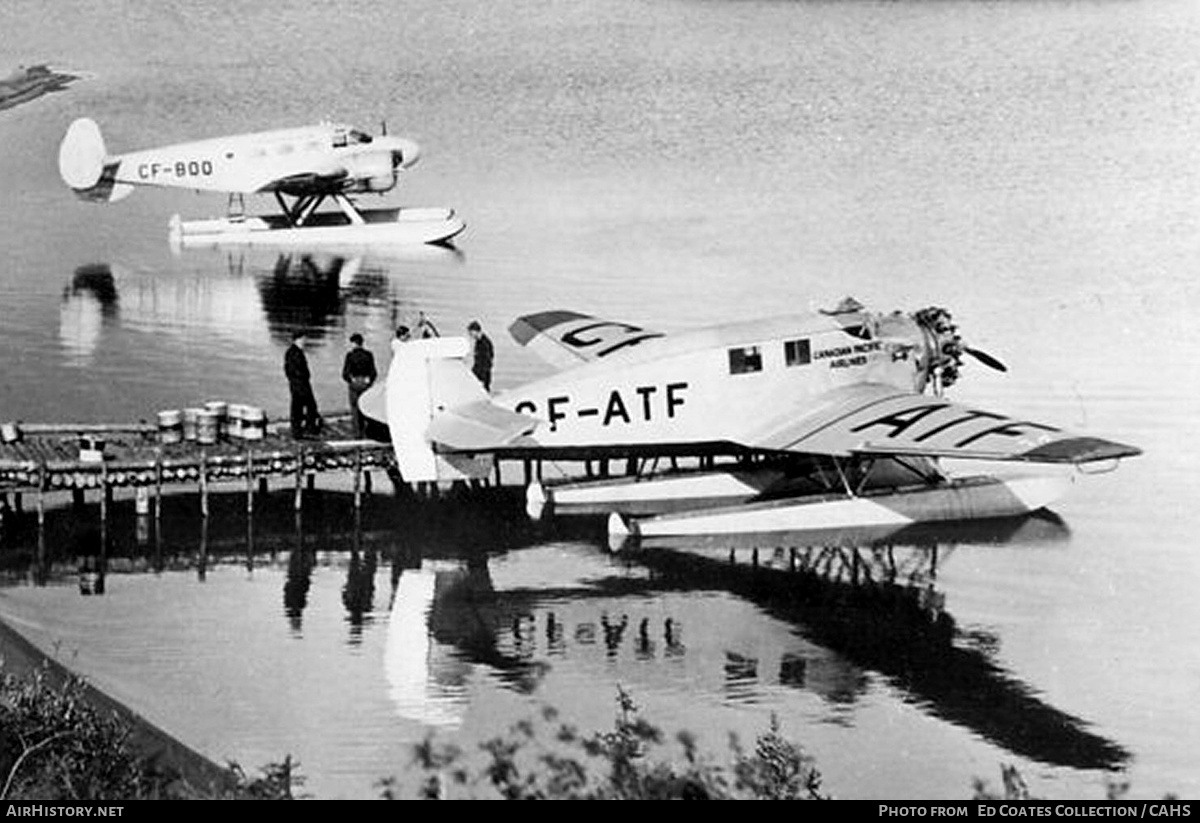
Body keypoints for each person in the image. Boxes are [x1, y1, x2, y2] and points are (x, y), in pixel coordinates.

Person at [285, 329, 321, 438]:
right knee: (310, 406)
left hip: (295, 384)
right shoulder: (296, 353)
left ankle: (297, 431)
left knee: (297, 408)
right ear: (298, 340)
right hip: (301, 384)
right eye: (303, 339)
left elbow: (288, 370)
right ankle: (309, 429)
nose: (304, 342)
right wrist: (304, 377)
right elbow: (298, 370)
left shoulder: (290, 352)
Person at [342, 333, 377, 437]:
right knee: (367, 407)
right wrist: (369, 380)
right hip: (365, 383)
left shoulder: (350, 355)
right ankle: (369, 431)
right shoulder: (369, 355)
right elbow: (374, 372)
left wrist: (351, 379)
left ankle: (357, 433)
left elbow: (345, 373)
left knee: (355, 408)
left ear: (353, 343)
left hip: (355, 382)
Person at [467, 320, 494, 392]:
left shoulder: (484, 343)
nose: (470, 335)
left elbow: (487, 362)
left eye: (471, 333)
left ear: (475, 331)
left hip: (483, 375)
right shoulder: (479, 342)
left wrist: (481, 379)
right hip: (479, 372)